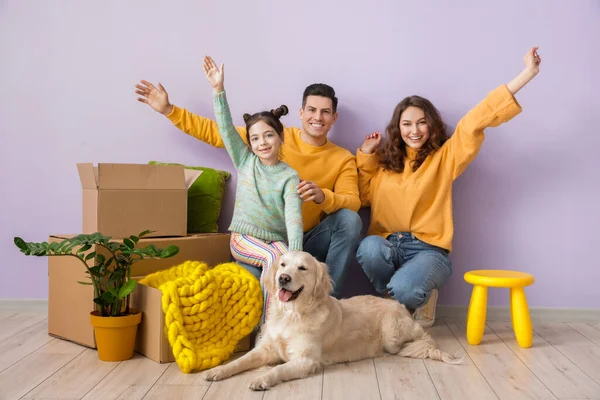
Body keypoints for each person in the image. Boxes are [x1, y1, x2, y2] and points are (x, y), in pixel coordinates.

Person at [356, 47, 542, 327]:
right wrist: (366, 154)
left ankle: (415, 295)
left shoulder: (444, 158)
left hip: (428, 250)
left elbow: (475, 120)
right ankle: (392, 297)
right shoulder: (385, 163)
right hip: (387, 245)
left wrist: (527, 73)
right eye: (407, 124)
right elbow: (362, 197)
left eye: (421, 123)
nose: (415, 130)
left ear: (431, 126)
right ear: (398, 128)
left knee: (405, 288)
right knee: (368, 248)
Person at [135, 72, 361, 299]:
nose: (318, 117)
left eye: (325, 112)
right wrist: (169, 110)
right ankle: (270, 327)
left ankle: (329, 301)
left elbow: (352, 202)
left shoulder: (340, 159)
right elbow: (219, 132)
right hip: (264, 242)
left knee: (350, 220)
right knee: (250, 283)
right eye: (312, 110)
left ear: (334, 117)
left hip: (305, 240)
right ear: (301, 112)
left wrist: (324, 197)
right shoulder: (268, 136)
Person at [201, 55, 302, 323]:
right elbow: (224, 127)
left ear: (281, 138)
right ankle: (268, 329)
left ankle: (292, 322)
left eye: (269, 135)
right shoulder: (245, 161)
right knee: (274, 258)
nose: (262, 143)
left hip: (275, 238)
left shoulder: (289, 176)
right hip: (243, 238)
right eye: (255, 138)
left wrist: (295, 253)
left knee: (284, 258)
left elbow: (293, 218)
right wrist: (218, 91)